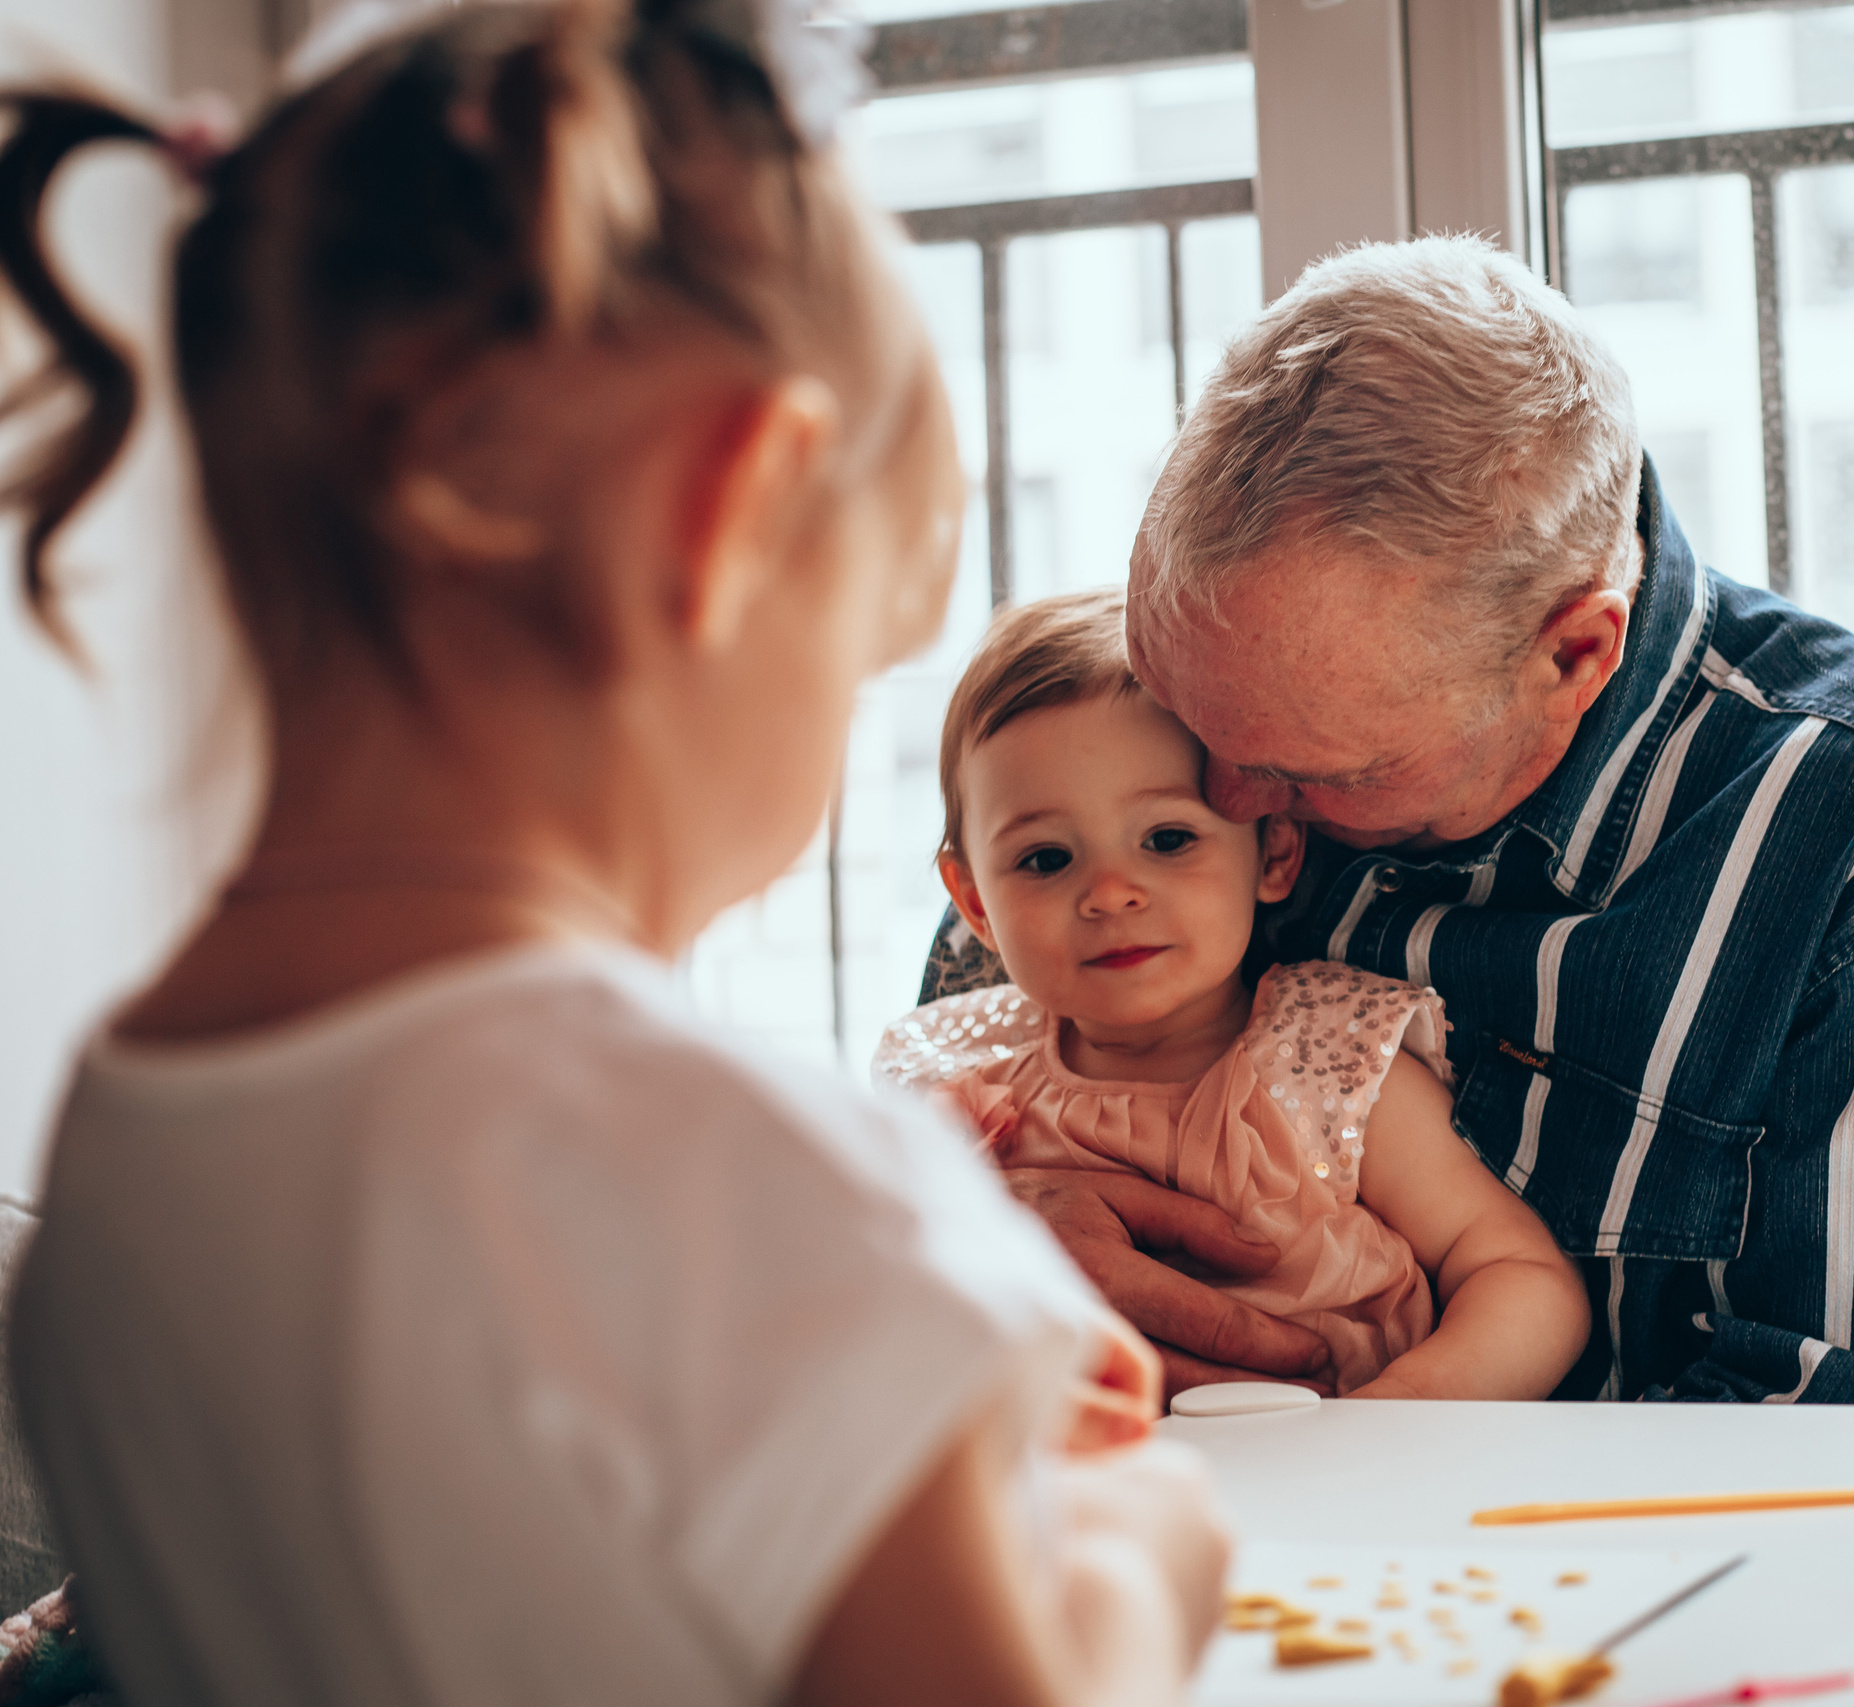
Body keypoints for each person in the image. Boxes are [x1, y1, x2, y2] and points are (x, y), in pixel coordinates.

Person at [0, 4, 1226, 1705]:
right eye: (864, 650)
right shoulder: (733, 1174)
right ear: (724, 521)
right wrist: (1129, 1530)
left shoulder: (119, 1135)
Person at [929, 235, 1854, 1406]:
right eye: (1194, 719)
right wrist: (1000, 1227)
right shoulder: (1219, 689)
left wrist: (1364, 1500)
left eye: (1311, 776)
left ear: (1572, 654)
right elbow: (966, 1085)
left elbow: (1840, 1437)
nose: (1224, 804)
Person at [878, 590, 1590, 1399]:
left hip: (1343, 1488)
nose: (1111, 893)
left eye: (1167, 839)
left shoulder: (1333, 1063)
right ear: (974, 903)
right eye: (1045, 859)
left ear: (1274, 853)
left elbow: (1524, 1276)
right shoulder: (952, 1080)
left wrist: (1399, 1418)